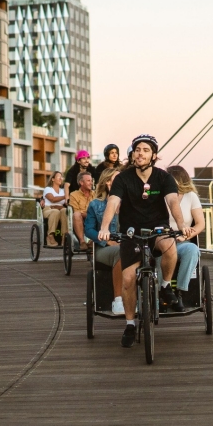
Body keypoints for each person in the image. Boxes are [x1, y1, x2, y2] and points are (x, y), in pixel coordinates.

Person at [98, 133, 190, 348]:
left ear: (154, 155)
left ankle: (166, 286)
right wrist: (104, 228)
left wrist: (181, 224)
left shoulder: (163, 178)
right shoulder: (123, 179)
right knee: (129, 279)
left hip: (158, 228)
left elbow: (173, 202)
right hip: (132, 233)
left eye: (146, 150)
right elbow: (113, 202)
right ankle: (130, 324)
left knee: (169, 246)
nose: (140, 153)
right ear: (132, 154)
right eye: (137, 149)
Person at [85, 169, 124, 314]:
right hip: (104, 248)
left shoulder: (130, 203)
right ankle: (118, 300)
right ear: (108, 182)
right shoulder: (96, 205)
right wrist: (107, 241)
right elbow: (89, 230)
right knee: (122, 252)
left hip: (129, 244)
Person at [166, 165, 205, 309]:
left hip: (182, 238)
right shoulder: (161, 195)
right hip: (163, 237)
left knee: (192, 250)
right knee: (159, 253)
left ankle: (180, 292)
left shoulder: (191, 196)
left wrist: (187, 235)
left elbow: (200, 223)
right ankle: (162, 291)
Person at [68, 171, 96, 250]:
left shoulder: (95, 194)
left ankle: (92, 241)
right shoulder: (74, 195)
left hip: (93, 219)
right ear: (81, 182)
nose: (91, 183)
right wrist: (88, 214)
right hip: (80, 219)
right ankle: (82, 242)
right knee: (76, 214)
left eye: (91, 181)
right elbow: (76, 211)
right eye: (88, 181)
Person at [41, 170, 68, 248]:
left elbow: (66, 203)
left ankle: (64, 236)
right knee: (55, 211)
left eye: (61, 177)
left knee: (65, 211)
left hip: (60, 208)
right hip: (48, 209)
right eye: (59, 177)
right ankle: (50, 236)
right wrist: (65, 196)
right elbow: (52, 199)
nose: (61, 179)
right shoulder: (48, 189)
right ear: (53, 179)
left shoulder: (63, 190)